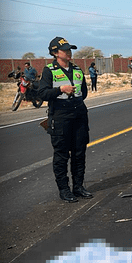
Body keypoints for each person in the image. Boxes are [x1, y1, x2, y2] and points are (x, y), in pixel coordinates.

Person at [38, 37, 92, 203]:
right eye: (65, 50)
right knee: (62, 155)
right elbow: (43, 93)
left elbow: (83, 92)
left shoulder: (76, 69)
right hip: (60, 116)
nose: (69, 52)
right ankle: (64, 189)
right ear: (55, 53)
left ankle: (78, 186)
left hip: (79, 114)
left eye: (70, 49)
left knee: (79, 152)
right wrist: (61, 89)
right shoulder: (49, 70)